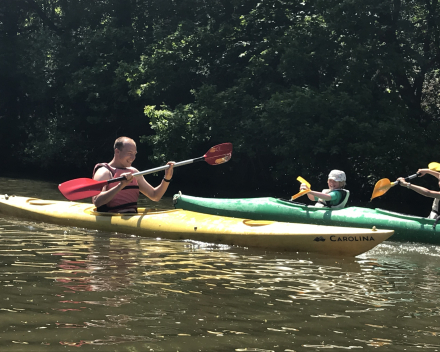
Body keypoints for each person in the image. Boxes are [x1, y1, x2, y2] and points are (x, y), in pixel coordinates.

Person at [92, 136, 175, 213]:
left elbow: (155, 196)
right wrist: (120, 186)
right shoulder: (104, 172)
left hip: (131, 216)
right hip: (111, 219)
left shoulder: (134, 172)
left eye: (135, 154)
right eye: (129, 153)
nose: (133, 157)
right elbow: (96, 201)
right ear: (117, 151)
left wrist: (167, 178)